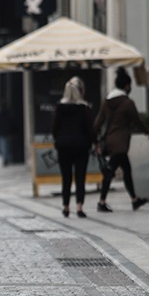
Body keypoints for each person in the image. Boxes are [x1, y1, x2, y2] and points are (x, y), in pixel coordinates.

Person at [94, 67, 149, 212]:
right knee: (110, 171)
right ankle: (101, 202)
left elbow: (99, 121)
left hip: (110, 140)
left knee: (126, 169)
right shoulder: (127, 103)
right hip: (120, 143)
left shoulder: (107, 101)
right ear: (126, 86)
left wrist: (94, 138)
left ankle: (134, 199)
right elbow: (137, 120)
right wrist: (147, 132)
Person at [52, 76, 96, 218]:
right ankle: (79, 207)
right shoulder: (84, 108)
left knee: (66, 177)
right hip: (81, 146)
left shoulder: (59, 107)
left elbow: (54, 128)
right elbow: (90, 129)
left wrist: (58, 139)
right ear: (80, 91)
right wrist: (95, 142)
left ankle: (65, 206)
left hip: (63, 146)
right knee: (80, 177)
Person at [0, 102, 17, 167]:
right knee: (8, 146)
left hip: (1, 133)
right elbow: (13, 123)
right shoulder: (9, 115)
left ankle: (5, 159)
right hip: (8, 133)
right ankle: (7, 158)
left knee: (3, 146)